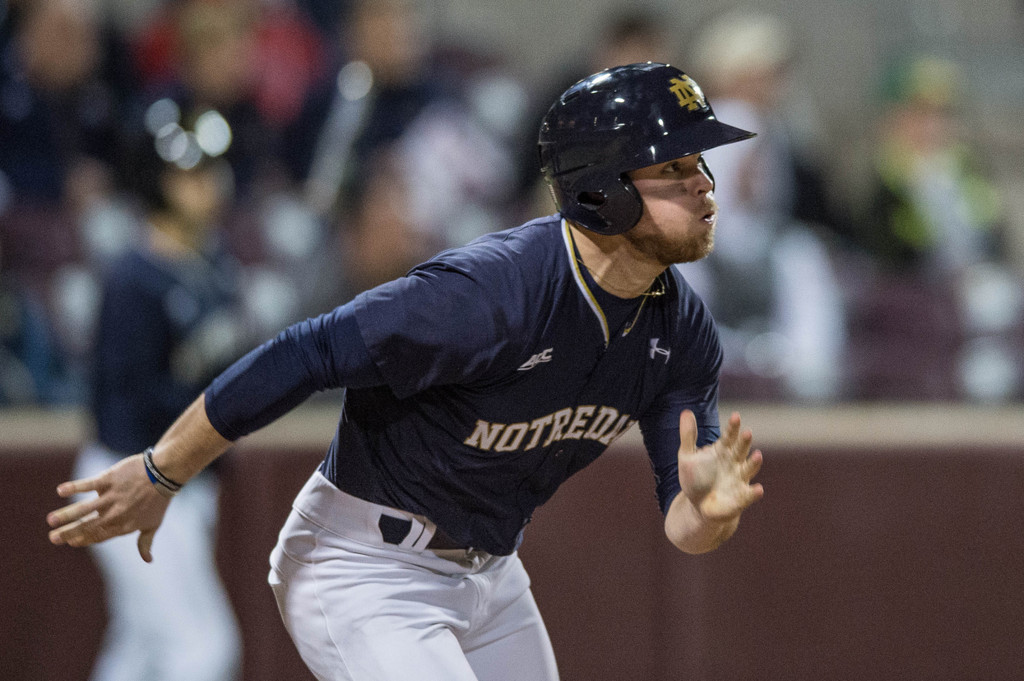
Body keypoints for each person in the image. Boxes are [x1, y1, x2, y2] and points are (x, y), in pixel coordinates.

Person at [47, 63, 766, 681]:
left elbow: (683, 521)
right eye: (673, 167)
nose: (705, 184)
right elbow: (306, 352)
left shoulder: (682, 329)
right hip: (365, 565)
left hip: (491, 576)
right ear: (603, 188)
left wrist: (707, 511)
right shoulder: (491, 293)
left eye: (699, 165)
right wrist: (162, 470)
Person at [69, 102, 246, 681]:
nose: (207, 186)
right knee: (201, 648)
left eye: (209, 172)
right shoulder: (132, 279)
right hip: (132, 476)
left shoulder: (212, 268)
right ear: (156, 182)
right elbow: (125, 406)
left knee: (139, 648)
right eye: (189, 174)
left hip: (181, 483)